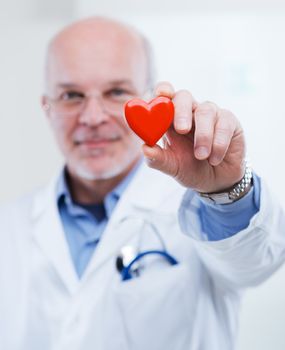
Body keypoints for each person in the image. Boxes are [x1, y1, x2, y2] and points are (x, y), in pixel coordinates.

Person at [0, 16, 285, 350]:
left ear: (150, 98)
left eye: (117, 92)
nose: (92, 118)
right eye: (71, 95)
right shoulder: (10, 226)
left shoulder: (200, 213)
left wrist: (225, 191)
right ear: (47, 107)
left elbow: (255, 265)